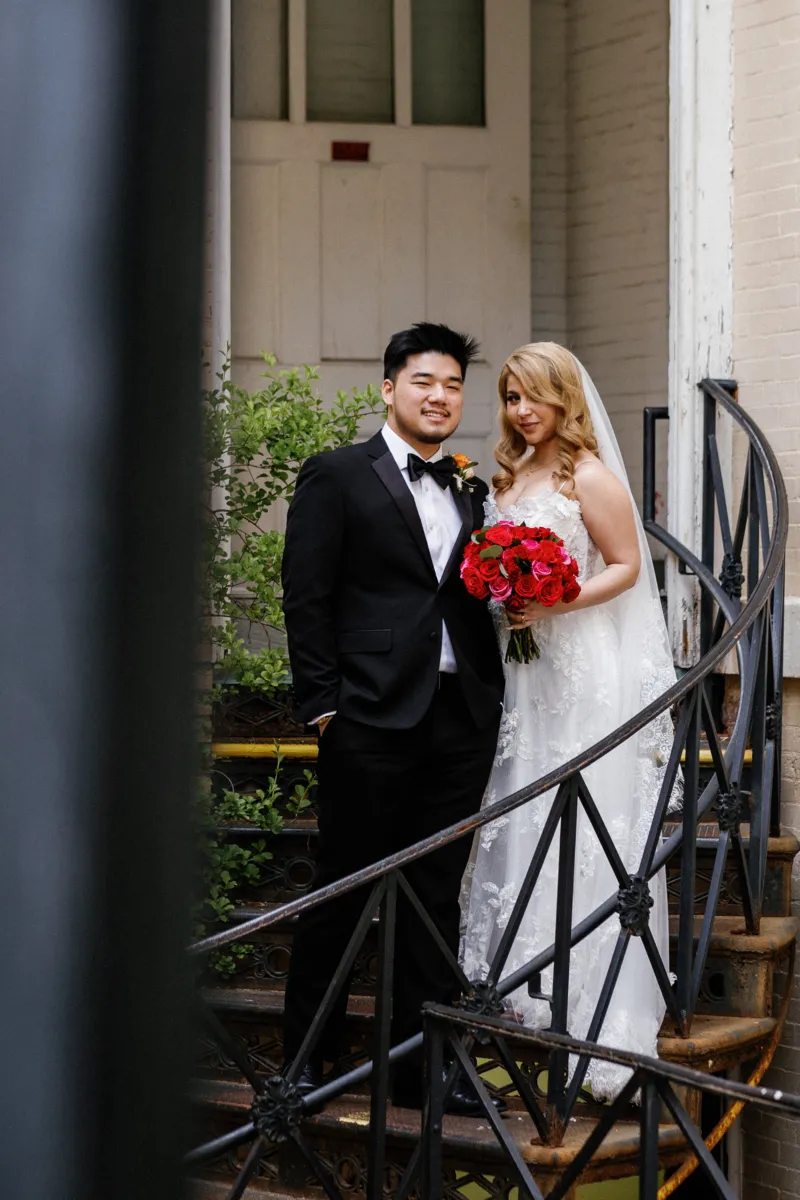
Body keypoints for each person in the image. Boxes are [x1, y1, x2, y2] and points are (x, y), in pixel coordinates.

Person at [281, 323, 505, 1111]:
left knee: (433, 895)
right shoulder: (339, 475)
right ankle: (308, 1059)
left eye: (451, 385)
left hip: (460, 716)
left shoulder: (473, 488)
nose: (440, 396)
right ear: (388, 388)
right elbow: (306, 595)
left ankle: (423, 1070)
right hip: (368, 717)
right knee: (343, 885)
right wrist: (322, 707)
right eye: (423, 382)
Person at [460, 342, 675, 1100]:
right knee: (525, 802)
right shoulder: (512, 474)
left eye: (533, 398)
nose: (520, 410)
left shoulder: (589, 475)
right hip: (528, 669)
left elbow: (625, 566)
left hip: (581, 666)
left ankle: (598, 1007)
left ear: (564, 401)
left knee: (582, 814)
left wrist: (557, 598)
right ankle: (524, 985)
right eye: (511, 396)